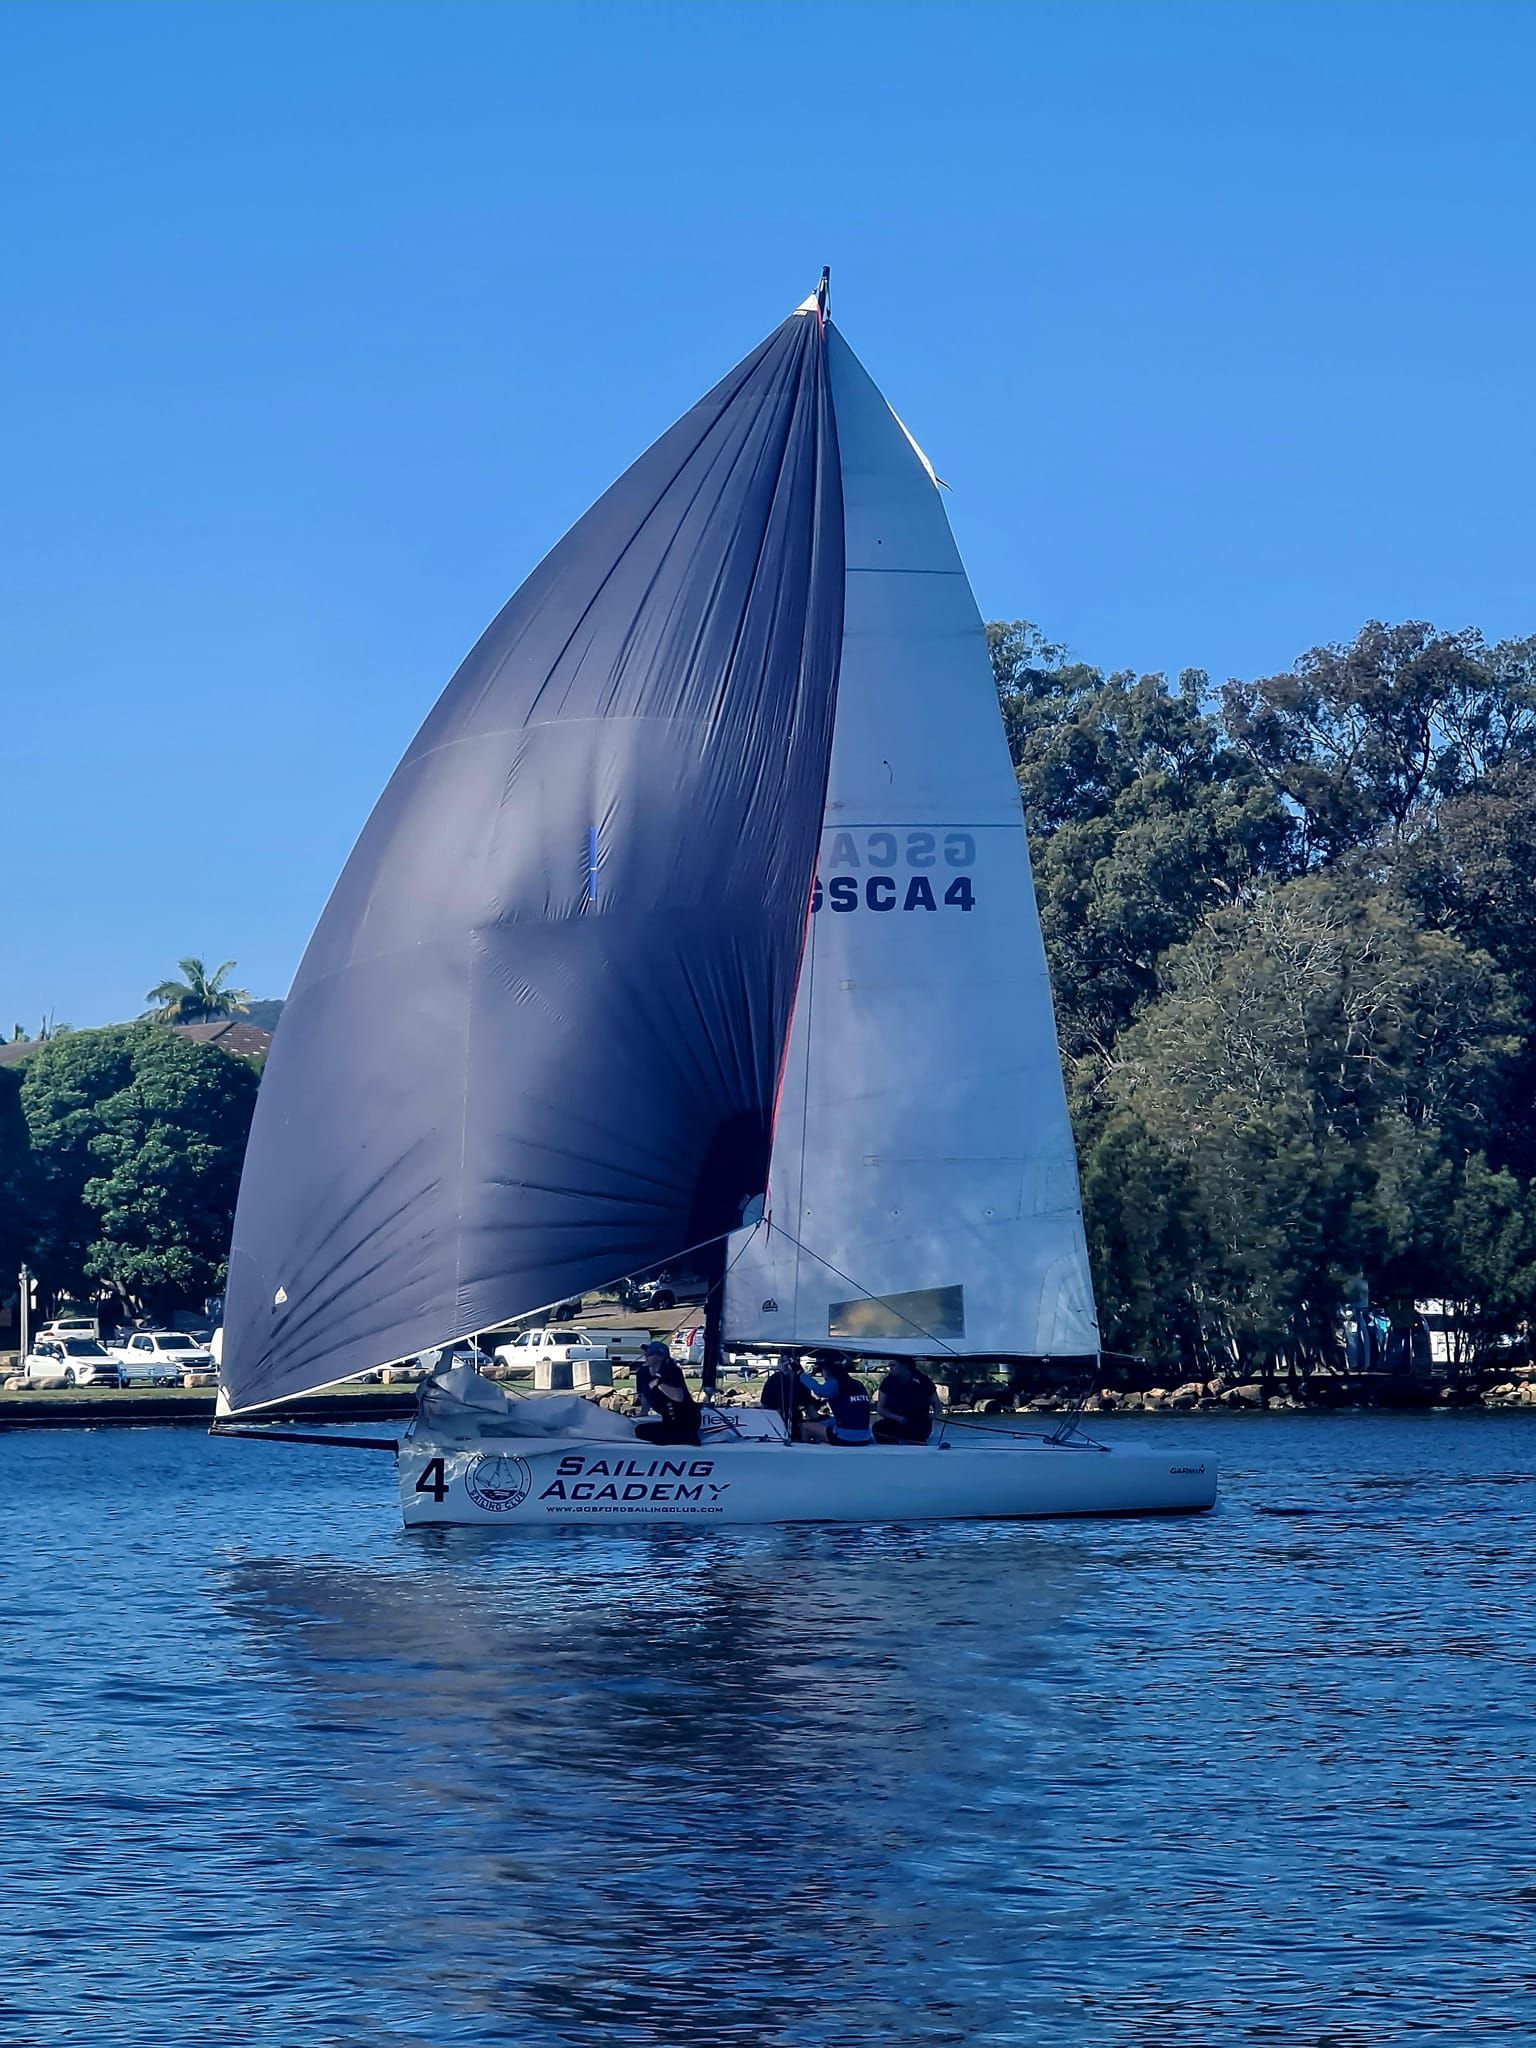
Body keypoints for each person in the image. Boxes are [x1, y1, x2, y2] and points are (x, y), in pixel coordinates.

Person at [633, 1340, 701, 1447]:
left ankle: (688, 1438)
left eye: (650, 1354)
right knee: (640, 1430)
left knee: (655, 1435)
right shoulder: (642, 1373)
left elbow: (678, 1397)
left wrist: (658, 1383)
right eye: (645, 1353)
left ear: (660, 1357)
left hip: (686, 1419)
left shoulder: (673, 1371)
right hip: (668, 1419)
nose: (646, 1356)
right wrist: (643, 1411)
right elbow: (644, 1394)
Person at [799, 1356, 873, 1445]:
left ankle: (807, 1451)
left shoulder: (835, 1384)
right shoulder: (858, 1384)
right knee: (827, 1421)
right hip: (865, 1436)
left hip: (846, 1437)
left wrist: (800, 1373)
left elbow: (819, 1390)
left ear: (827, 1371)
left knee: (805, 1427)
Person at [873, 1357, 939, 1445]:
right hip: (896, 1421)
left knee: (920, 1428)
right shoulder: (888, 1382)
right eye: (889, 1366)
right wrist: (898, 1418)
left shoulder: (923, 1380)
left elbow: (936, 1403)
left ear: (904, 1365)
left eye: (893, 1365)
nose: (890, 1368)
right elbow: (881, 1409)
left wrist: (934, 1415)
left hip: (918, 1422)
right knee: (877, 1428)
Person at [760, 1359, 819, 1438]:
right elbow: (811, 1411)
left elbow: (764, 1406)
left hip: (784, 1425)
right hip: (777, 1423)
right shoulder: (774, 1380)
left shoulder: (801, 1382)